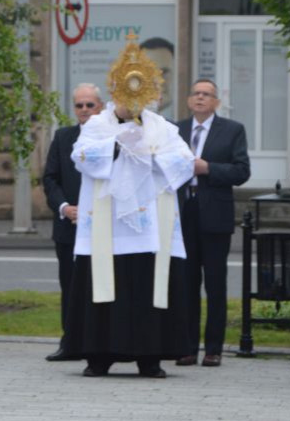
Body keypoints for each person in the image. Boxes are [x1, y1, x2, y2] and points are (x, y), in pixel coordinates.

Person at [65, 38, 195, 378]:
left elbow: (184, 161)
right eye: (126, 96)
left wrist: (151, 155)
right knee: (104, 287)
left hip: (148, 226)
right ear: (115, 94)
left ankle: (149, 357)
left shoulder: (162, 128)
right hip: (106, 226)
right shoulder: (96, 126)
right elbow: (80, 156)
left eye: (140, 96)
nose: (132, 104)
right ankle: (99, 355)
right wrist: (117, 147)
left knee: (147, 288)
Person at [175, 79, 250, 368]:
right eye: (196, 93)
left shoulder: (232, 130)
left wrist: (208, 168)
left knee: (215, 284)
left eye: (207, 95)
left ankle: (214, 348)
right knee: (186, 283)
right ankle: (187, 346)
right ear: (188, 99)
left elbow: (241, 170)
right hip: (184, 212)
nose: (200, 98)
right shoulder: (176, 130)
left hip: (214, 214)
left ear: (216, 102)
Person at [41, 83, 104, 362]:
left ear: (100, 106)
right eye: (79, 105)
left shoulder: (111, 137)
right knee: (70, 286)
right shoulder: (63, 137)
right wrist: (65, 207)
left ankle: (99, 343)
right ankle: (70, 343)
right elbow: (50, 178)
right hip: (70, 226)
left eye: (90, 105)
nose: (84, 110)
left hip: (104, 227)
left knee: (100, 286)